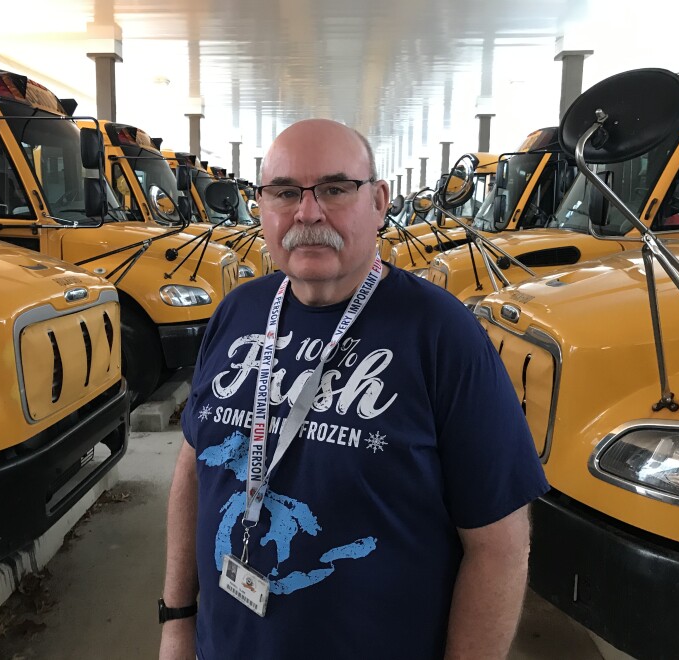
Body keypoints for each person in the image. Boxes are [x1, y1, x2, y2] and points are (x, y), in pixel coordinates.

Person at [160, 118, 549, 660]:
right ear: (262, 204)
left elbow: (499, 547)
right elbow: (193, 465)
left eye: (336, 189)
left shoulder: (442, 334)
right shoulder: (238, 312)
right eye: (285, 191)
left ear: (380, 201)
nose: (308, 212)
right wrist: (176, 620)